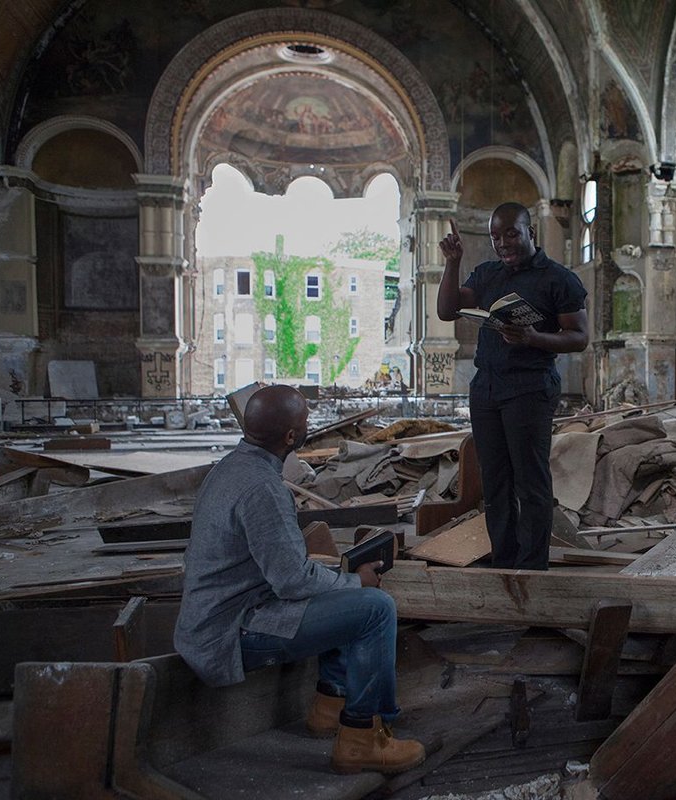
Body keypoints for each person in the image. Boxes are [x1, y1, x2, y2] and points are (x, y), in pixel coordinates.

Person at [174, 384, 425, 775]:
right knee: (375, 609)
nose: (309, 426)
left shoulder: (230, 468)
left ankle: (331, 707)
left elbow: (287, 573)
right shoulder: (263, 489)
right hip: (229, 632)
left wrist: (341, 580)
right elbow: (291, 582)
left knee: (341, 594)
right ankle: (361, 738)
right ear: (291, 437)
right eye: (305, 421)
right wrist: (356, 583)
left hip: (216, 617)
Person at [437, 203, 589, 570]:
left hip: (530, 387)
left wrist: (534, 337)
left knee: (530, 481)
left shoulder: (558, 278)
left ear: (529, 231)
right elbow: (447, 311)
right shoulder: (487, 274)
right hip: (487, 387)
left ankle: (532, 567)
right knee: (496, 482)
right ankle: (504, 563)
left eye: (510, 233)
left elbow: (580, 337)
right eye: (495, 236)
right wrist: (453, 262)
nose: (502, 243)